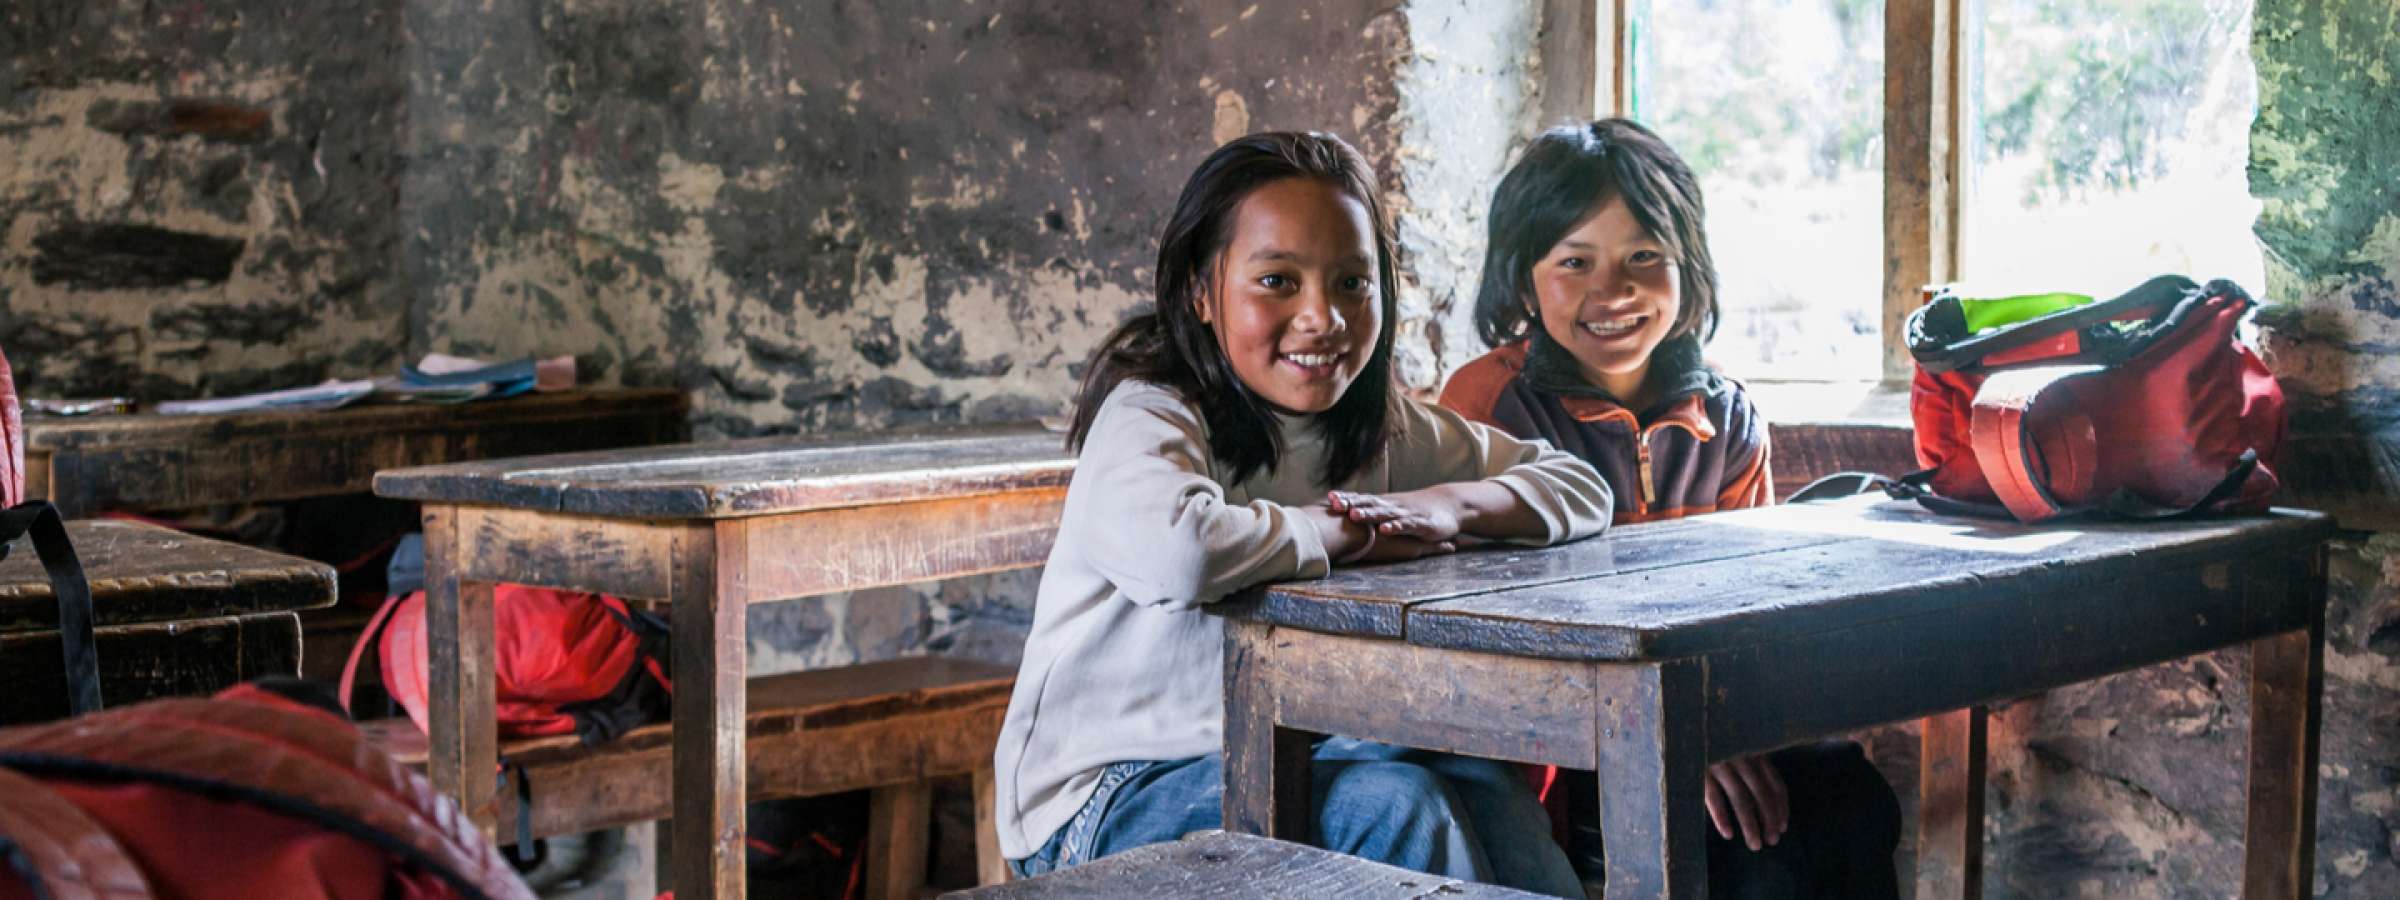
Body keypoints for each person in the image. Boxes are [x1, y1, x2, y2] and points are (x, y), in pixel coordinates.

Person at [991, 131, 1614, 897]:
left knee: (1489, 795)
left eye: (1353, 283)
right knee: (1395, 811)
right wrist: (1338, 530)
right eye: (1278, 281)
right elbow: (1178, 554)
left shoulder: (1383, 428)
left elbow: (1579, 486)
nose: (1322, 317)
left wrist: (1446, 508)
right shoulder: (1152, 413)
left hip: (1295, 751)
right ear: (1201, 291)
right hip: (1106, 793)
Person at [1440, 118, 1903, 899]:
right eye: (1574, 262)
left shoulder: (1725, 418)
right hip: (1557, 746)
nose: (1612, 291)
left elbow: (1748, 615)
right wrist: (1669, 740)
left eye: (1643, 258)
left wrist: (1710, 735)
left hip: (1711, 720)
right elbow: (1495, 634)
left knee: (1845, 800)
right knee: (1758, 854)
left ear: (1688, 264)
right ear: (1524, 281)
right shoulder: (1488, 411)